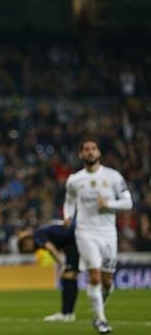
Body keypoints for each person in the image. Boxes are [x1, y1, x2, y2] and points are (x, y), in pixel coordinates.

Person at [64, 137, 133, 334]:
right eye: (86, 149)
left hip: (108, 234)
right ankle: (101, 319)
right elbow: (69, 201)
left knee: (107, 282)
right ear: (81, 154)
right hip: (85, 232)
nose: (90, 152)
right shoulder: (74, 180)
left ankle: (98, 310)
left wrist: (108, 204)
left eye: (93, 148)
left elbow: (128, 203)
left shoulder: (113, 177)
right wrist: (68, 216)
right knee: (94, 276)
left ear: (99, 153)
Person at [17, 221, 79, 322]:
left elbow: (51, 248)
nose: (27, 250)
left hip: (74, 240)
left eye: (25, 246)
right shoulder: (40, 238)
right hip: (73, 241)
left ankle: (66, 313)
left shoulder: (38, 237)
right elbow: (52, 250)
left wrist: (63, 264)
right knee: (69, 276)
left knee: (68, 276)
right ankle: (68, 313)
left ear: (28, 241)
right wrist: (62, 264)